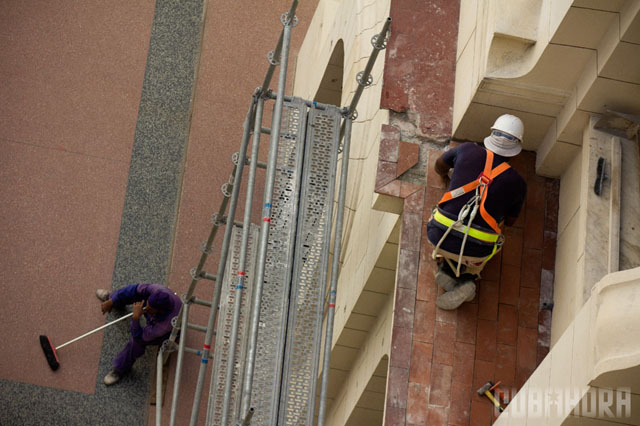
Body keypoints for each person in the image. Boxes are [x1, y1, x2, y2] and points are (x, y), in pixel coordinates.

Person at [426, 114, 527, 310]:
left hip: (438, 234)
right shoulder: (518, 183)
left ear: (491, 134)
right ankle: (468, 277)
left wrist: (453, 177)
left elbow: (439, 167)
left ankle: (446, 267)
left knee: (447, 222)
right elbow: (511, 221)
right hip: (478, 251)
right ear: (516, 149)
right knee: (493, 234)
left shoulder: (467, 149)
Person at [96, 283, 182, 385]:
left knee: (136, 343)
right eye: (147, 305)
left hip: (164, 334)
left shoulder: (165, 325)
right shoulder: (156, 290)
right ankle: (112, 299)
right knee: (136, 295)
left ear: (159, 310)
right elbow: (134, 289)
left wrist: (136, 318)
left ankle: (120, 369)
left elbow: (140, 337)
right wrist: (113, 300)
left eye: (149, 308)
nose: (145, 308)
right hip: (155, 314)